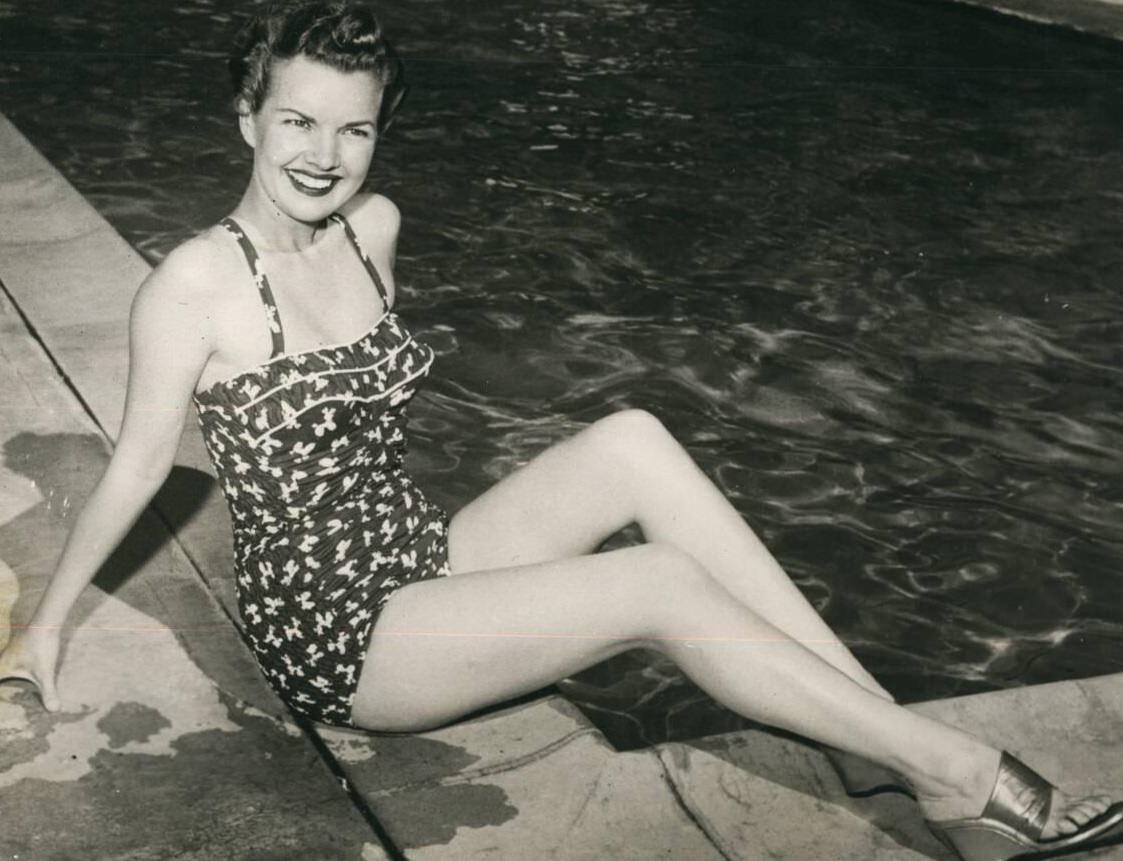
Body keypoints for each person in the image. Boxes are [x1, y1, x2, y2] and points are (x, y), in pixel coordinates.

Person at [1, 3, 1120, 858]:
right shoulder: (194, 285)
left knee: (632, 435)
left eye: (353, 128)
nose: (323, 155)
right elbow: (141, 465)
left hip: (420, 561)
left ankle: (865, 737)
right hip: (344, 641)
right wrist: (43, 629)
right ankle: (947, 768)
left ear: (378, 134)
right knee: (656, 587)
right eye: (296, 120)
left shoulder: (369, 229)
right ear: (246, 118)